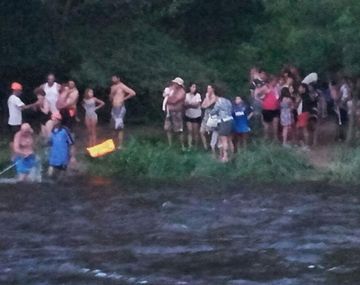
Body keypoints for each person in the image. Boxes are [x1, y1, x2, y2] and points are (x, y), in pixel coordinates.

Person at [109, 74, 136, 150]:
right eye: (112, 78)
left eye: (114, 78)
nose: (113, 80)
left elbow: (133, 93)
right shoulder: (112, 87)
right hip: (114, 108)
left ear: (118, 78)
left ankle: (120, 145)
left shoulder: (122, 86)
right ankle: (114, 145)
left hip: (120, 108)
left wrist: (123, 99)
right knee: (113, 126)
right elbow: (110, 98)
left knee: (119, 127)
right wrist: (111, 94)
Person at [48, 112, 74, 177]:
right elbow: (51, 142)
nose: (53, 122)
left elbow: (72, 144)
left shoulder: (65, 130)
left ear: (58, 121)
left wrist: (72, 156)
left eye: (54, 120)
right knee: (50, 174)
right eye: (52, 120)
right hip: (54, 157)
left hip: (63, 157)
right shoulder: (52, 130)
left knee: (61, 176)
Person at [210, 93, 233, 162]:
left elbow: (213, 112)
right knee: (229, 139)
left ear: (216, 96)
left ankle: (225, 157)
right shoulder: (228, 101)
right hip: (230, 120)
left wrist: (210, 113)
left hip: (223, 121)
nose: (212, 99)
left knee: (224, 140)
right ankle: (231, 155)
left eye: (212, 97)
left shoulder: (218, 103)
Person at [164, 77, 186, 149]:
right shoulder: (170, 88)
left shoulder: (182, 92)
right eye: (174, 83)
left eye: (176, 83)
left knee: (179, 130)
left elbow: (174, 101)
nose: (174, 84)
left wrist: (168, 98)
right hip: (169, 111)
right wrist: (167, 97)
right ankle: (170, 145)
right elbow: (165, 95)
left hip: (177, 112)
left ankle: (182, 146)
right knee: (168, 128)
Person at [256, 76, 280, 141]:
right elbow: (257, 94)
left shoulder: (276, 88)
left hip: (275, 108)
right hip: (267, 109)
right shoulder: (266, 87)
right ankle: (266, 137)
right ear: (271, 81)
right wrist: (261, 101)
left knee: (275, 124)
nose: (276, 82)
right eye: (275, 81)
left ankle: (275, 138)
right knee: (267, 125)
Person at [296, 83, 315, 149]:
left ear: (304, 89)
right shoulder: (307, 96)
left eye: (300, 87)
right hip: (302, 113)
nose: (299, 89)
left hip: (303, 113)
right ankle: (302, 143)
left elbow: (297, 104)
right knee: (299, 128)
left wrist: (297, 99)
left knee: (304, 129)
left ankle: (306, 145)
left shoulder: (303, 96)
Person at [200, 85, 218, 152]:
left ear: (213, 89)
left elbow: (207, 105)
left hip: (212, 116)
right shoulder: (206, 97)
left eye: (209, 88)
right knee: (201, 131)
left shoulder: (215, 97)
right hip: (206, 115)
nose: (208, 90)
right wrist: (206, 98)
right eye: (207, 88)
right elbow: (202, 106)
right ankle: (205, 147)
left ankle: (212, 146)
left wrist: (207, 97)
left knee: (210, 132)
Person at [184, 83, 202, 149]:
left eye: (195, 87)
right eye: (192, 87)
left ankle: (196, 145)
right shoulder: (186, 95)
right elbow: (185, 104)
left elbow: (197, 105)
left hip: (196, 115)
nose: (193, 88)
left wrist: (189, 104)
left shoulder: (198, 95)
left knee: (195, 131)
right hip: (188, 115)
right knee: (189, 130)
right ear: (189, 87)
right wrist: (191, 104)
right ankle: (189, 145)